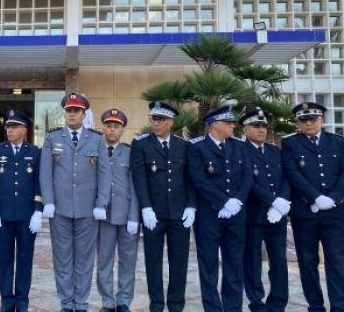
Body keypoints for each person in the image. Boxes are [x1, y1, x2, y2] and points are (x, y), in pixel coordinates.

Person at [40, 92, 111, 312]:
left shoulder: (97, 139)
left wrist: (101, 203)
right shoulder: (52, 138)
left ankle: (81, 303)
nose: (72, 114)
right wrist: (48, 201)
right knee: (62, 259)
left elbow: (104, 174)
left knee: (84, 260)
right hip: (59, 210)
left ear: (84, 114)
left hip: (88, 210)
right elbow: (45, 173)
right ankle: (66, 303)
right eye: (69, 111)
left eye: (76, 111)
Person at [130, 101, 195, 312]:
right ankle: (156, 304)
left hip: (179, 214)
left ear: (171, 122)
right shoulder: (140, 144)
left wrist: (191, 206)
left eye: (161, 120)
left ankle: (176, 305)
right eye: (153, 119)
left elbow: (190, 179)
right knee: (153, 262)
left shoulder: (184, 145)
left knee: (179, 263)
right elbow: (139, 179)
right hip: (153, 214)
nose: (156, 123)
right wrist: (145, 208)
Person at [187, 103, 251, 312]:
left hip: (235, 215)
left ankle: (233, 307)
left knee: (234, 263)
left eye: (233, 122)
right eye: (228, 122)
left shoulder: (239, 146)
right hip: (209, 216)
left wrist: (236, 202)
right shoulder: (196, 147)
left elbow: (247, 177)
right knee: (209, 265)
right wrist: (223, 201)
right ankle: (213, 308)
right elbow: (198, 179)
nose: (233, 125)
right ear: (213, 125)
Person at [282, 102, 344, 312]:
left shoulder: (338, 142)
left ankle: (339, 305)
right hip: (304, 213)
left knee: (337, 261)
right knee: (308, 263)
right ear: (299, 123)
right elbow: (293, 174)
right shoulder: (290, 144)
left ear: (322, 120)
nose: (308, 123)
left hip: (335, 213)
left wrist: (333, 198)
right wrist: (316, 198)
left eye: (313, 119)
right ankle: (315, 306)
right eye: (304, 120)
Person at [0, 110, 42, 312]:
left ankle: (22, 301)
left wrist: (38, 210)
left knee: (25, 260)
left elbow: (39, 183)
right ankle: (7, 301)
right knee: (5, 259)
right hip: (3, 217)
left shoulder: (36, 152)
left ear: (24, 130)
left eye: (14, 126)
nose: (9, 130)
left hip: (27, 218)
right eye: (8, 126)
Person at [240, 107, 290, 312]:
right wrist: (272, 201)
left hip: (276, 217)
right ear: (245, 129)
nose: (261, 130)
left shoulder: (275, 151)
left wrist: (281, 203)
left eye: (263, 126)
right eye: (255, 126)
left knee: (279, 261)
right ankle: (257, 302)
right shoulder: (239, 151)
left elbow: (287, 178)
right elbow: (248, 182)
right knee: (252, 263)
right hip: (252, 216)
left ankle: (278, 303)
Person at [96, 108, 139, 312]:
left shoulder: (130, 153)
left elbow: (135, 187)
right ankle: (106, 301)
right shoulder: (95, 150)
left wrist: (134, 217)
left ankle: (123, 301)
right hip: (103, 216)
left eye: (116, 126)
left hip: (126, 214)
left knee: (127, 260)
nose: (112, 130)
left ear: (122, 130)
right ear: (103, 127)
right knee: (104, 260)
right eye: (109, 125)